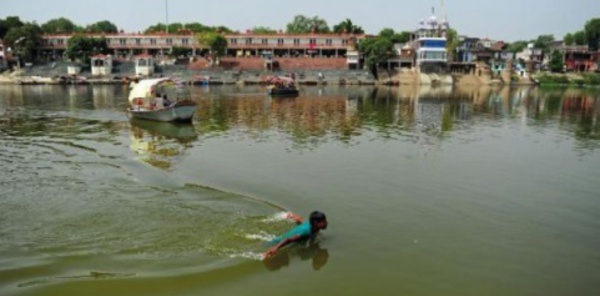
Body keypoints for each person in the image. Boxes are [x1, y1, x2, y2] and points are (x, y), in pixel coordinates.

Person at [263, 211, 328, 259]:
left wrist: (292, 216)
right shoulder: (307, 232)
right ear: (316, 223)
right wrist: (276, 247)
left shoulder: (312, 225)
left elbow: (301, 220)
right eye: (324, 222)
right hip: (278, 241)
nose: (326, 223)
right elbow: (289, 240)